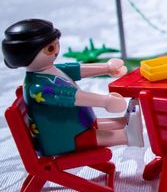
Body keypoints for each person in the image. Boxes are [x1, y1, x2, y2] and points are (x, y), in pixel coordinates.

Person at [3, 19, 142, 156]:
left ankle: (122, 122)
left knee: (98, 125)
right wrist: (105, 101)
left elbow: (77, 69)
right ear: (27, 55)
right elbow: (70, 96)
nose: (56, 52)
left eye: (56, 45)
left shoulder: (49, 70)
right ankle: (127, 136)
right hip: (63, 138)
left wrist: (106, 68)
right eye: (50, 48)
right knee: (96, 136)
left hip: (77, 124)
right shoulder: (38, 88)